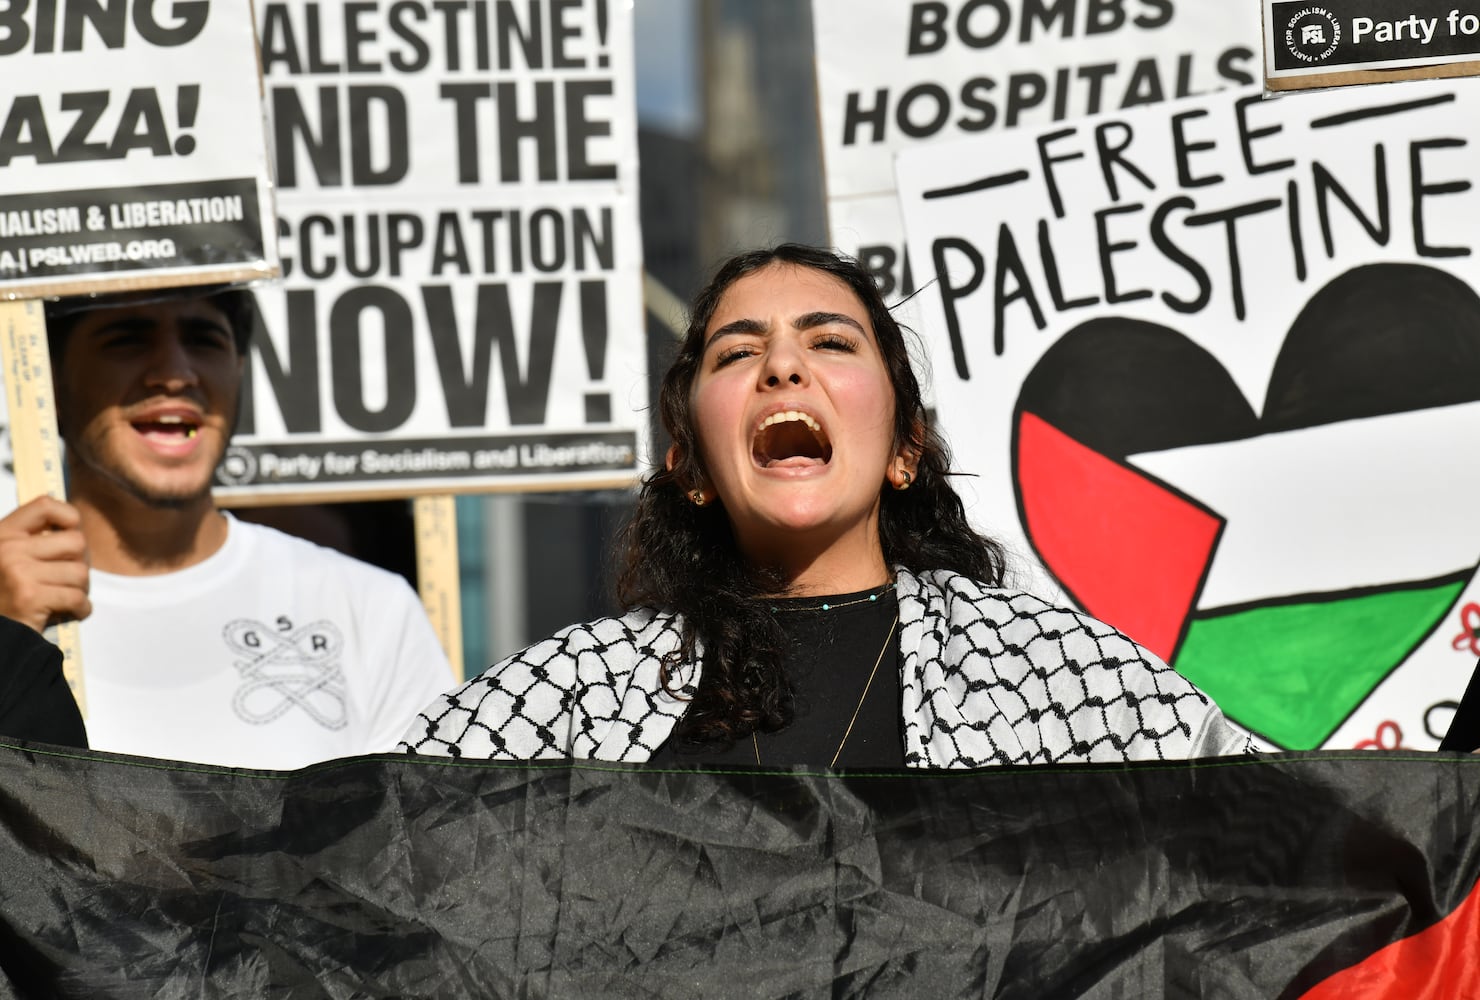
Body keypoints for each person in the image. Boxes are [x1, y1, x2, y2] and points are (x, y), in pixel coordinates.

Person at [400, 244, 1249, 768]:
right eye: (738, 354)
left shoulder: (1056, 676)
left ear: (904, 449)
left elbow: (1283, 841)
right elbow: (372, 864)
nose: (782, 368)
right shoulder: (573, 697)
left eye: (830, 342)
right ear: (689, 464)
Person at [0, 286, 454, 769]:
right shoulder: (8, 604)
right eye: (126, 339)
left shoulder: (369, 608)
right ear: (50, 381)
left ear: (239, 370)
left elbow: (432, 834)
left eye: (203, 339)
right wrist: (7, 638)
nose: (175, 374)